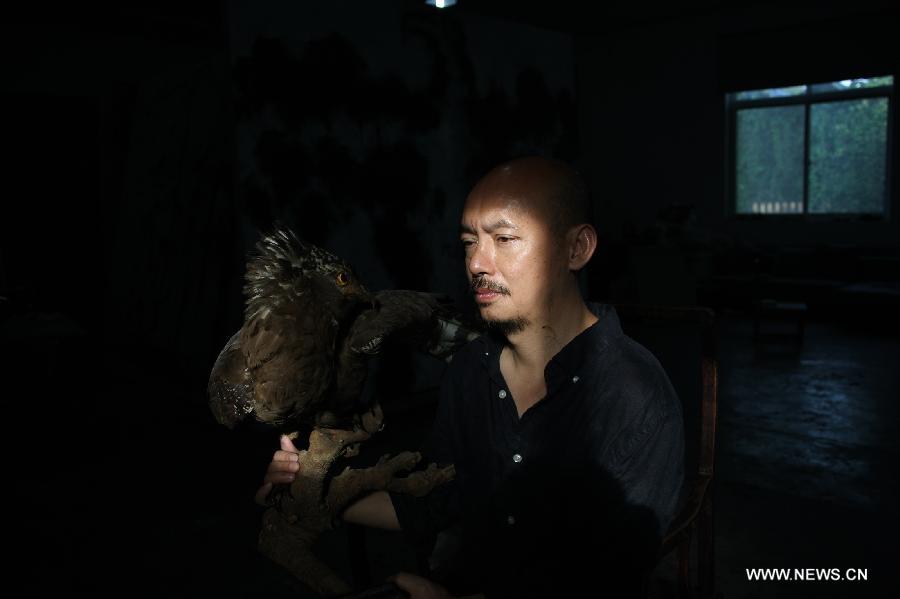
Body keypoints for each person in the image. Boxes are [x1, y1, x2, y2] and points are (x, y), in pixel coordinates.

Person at [256, 156, 685, 598]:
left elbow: (609, 580)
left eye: (504, 238)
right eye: (468, 242)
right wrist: (310, 493)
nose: (478, 262)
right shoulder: (471, 369)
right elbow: (436, 501)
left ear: (576, 249)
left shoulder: (636, 396)